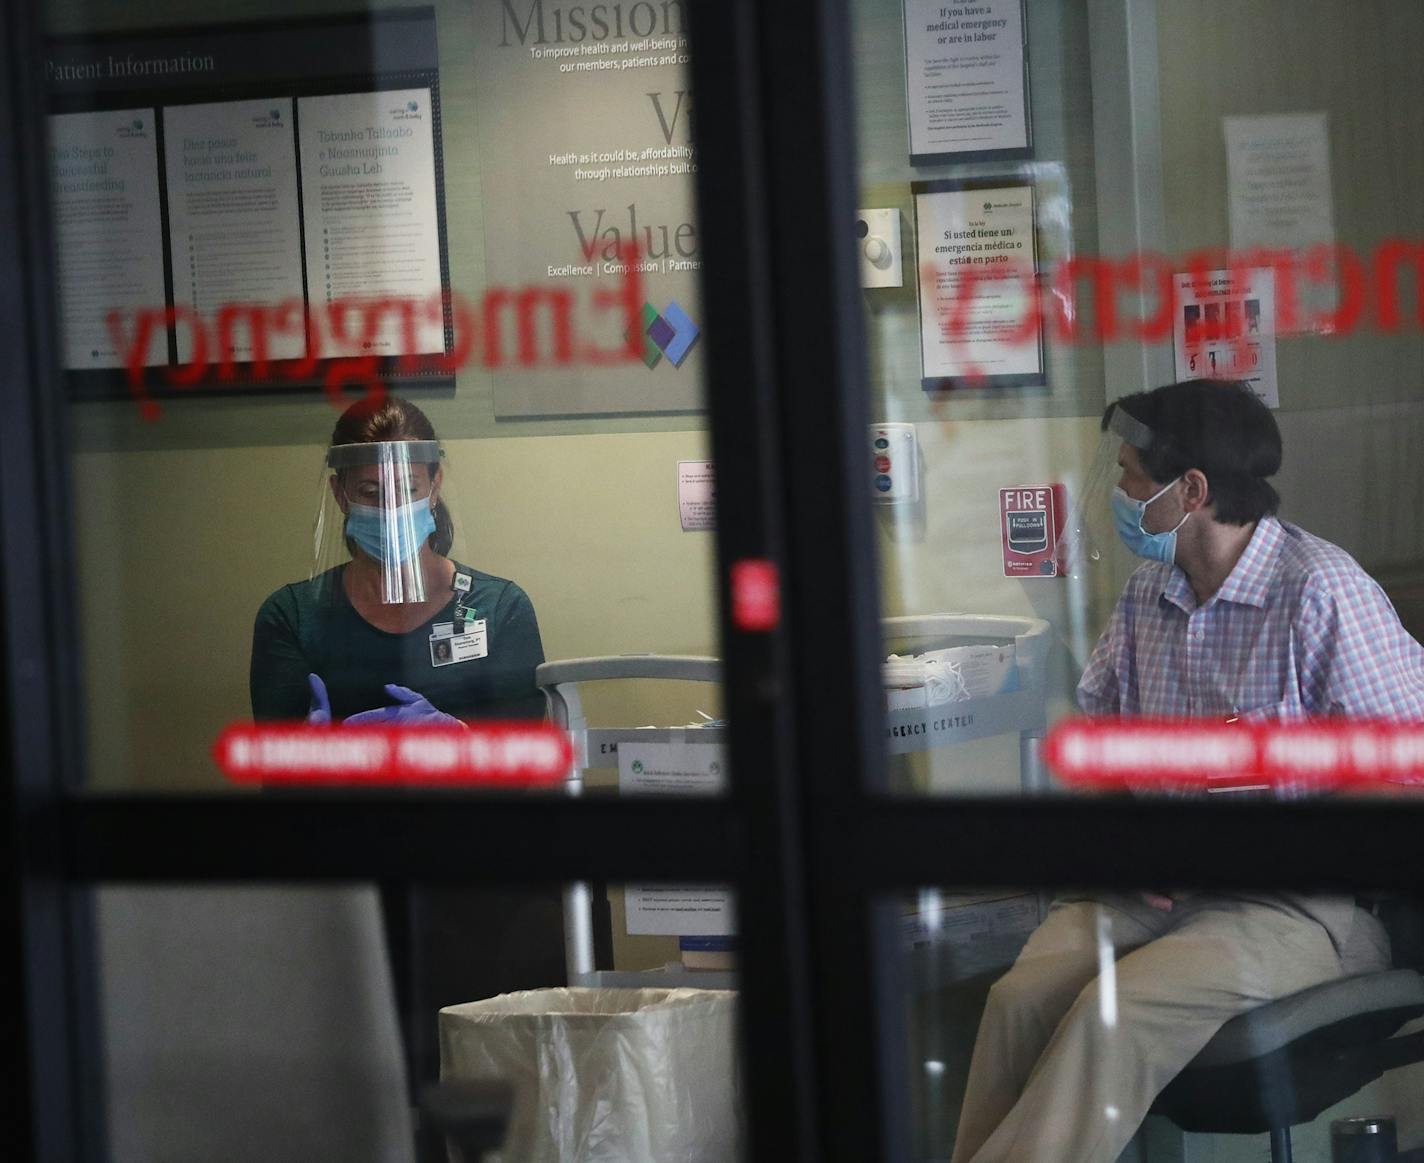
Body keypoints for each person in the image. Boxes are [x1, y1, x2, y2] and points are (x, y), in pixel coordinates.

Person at [951, 379, 1424, 1162]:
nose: (1122, 493)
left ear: (1191, 491)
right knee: (1018, 998)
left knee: (1114, 1011)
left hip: (1296, 905)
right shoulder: (1149, 597)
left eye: (1133, 474)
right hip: (1159, 888)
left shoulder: (1318, 591)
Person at [249, 394, 545, 725]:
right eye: (370, 492)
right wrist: (309, 756)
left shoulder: (500, 608)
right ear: (339, 495)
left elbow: (526, 761)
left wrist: (459, 742)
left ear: (435, 488)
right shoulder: (293, 617)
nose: (391, 511)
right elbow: (274, 765)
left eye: (407, 489)